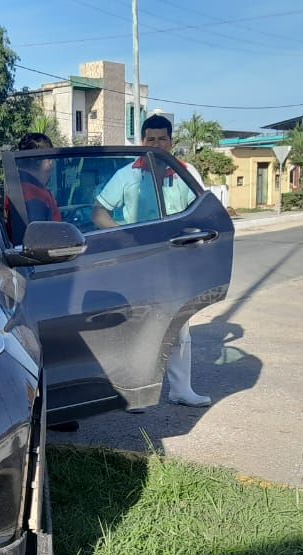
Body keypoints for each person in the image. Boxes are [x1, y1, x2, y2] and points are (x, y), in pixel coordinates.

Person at [92, 115, 210, 407]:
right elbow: (98, 213)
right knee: (137, 327)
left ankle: (181, 389)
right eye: (150, 139)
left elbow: (202, 210)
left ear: (171, 141)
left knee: (179, 324)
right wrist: (123, 237)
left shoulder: (185, 172)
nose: (156, 144)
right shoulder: (127, 174)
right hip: (139, 262)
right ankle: (134, 395)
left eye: (162, 139)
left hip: (176, 260)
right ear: (142, 141)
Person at [4, 132, 62, 239]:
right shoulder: (33, 195)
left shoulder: (19, 188)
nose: (52, 164)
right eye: (49, 158)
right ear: (43, 161)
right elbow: (38, 241)